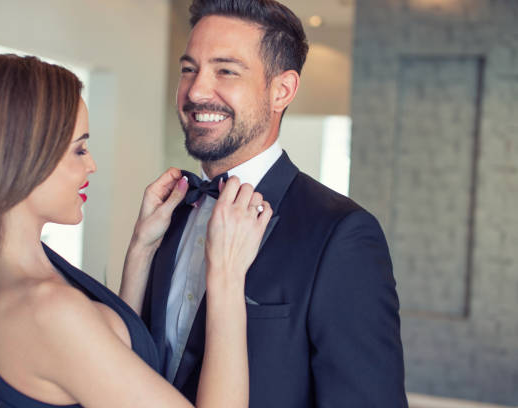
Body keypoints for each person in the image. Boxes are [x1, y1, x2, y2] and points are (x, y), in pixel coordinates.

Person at [0, 53, 272, 408]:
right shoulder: (48, 311)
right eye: (79, 149)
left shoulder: (1, 269)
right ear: (22, 157)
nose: (92, 164)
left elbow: (104, 360)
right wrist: (226, 277)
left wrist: (141, 249)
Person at [141, 1, 409, 407]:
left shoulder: (341, 235)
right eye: (189, 69)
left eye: (226, 70)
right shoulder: (169, 212)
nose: (195, 90)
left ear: (281, 90)